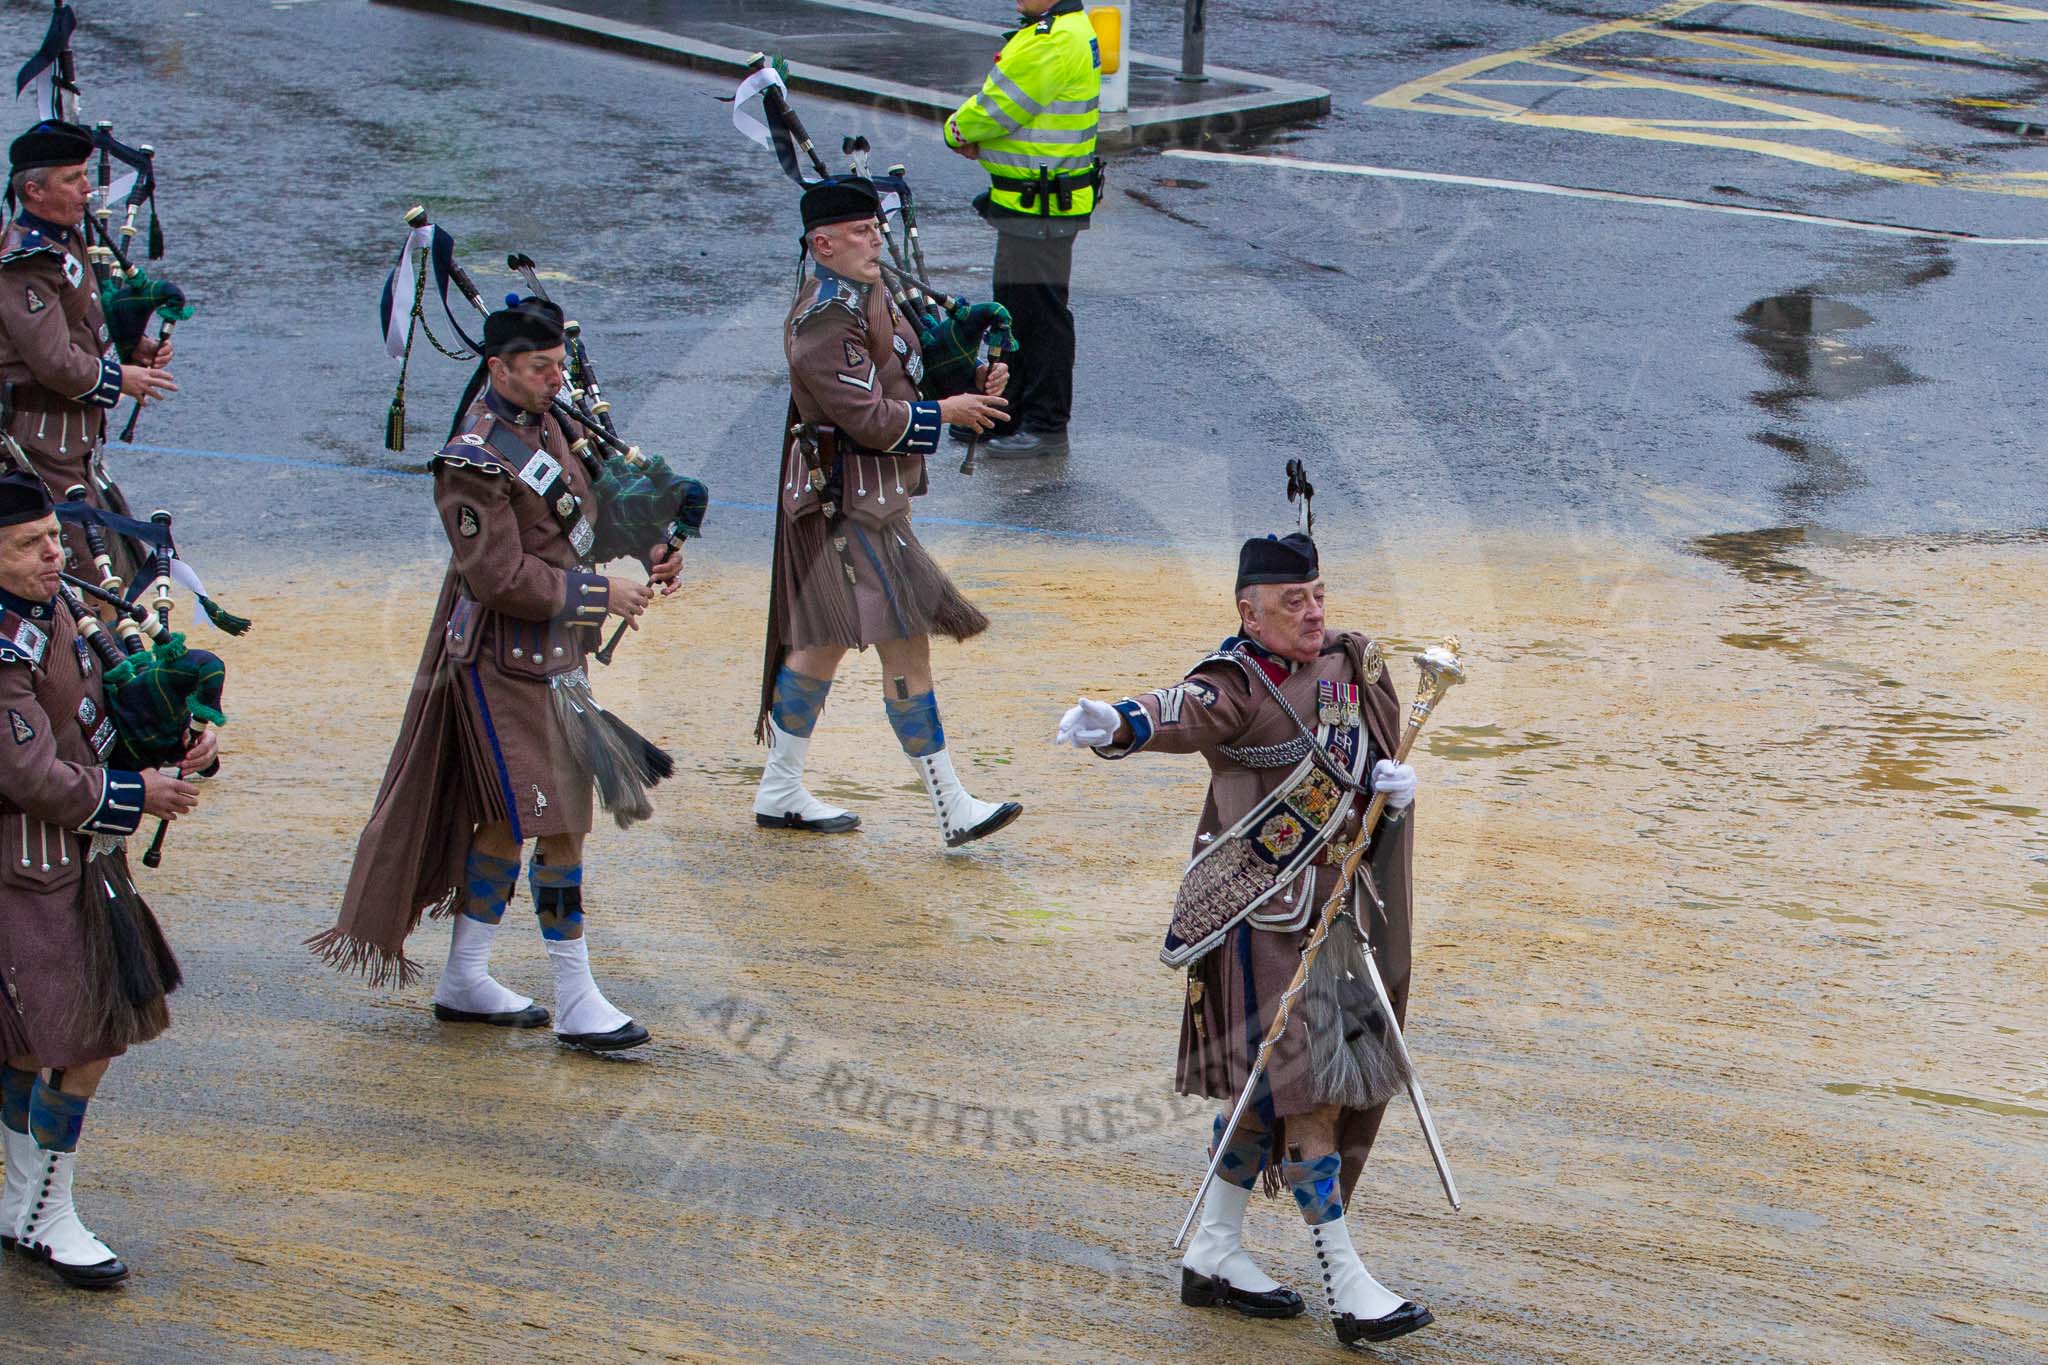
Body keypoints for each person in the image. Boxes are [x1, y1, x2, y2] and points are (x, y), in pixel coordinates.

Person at [1054, 530, 1436, 1347]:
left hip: (1340, 919)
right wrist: (1119, 722)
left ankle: (1215, 1248)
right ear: (1249, 610)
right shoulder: (1238, 680)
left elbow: (1365, 765)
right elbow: (1182, 710)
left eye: (1318, 595)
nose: (1313, 611)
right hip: (1260, 917)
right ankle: (1348, 1286)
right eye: (1293, 601)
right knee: (1309, 1095)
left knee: (1268, 1096)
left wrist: (1391, 790)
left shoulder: (1350, 664)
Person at [313, 298, 680, 1053]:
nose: (555, 380)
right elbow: (501, 576)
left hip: (555, 655)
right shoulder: (472, 461)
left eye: (557, 366)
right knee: (563, 821)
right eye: (539, 369)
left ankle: (466, 976)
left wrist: (647, 541)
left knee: (506, 821)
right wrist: (599, 591)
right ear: (498, 368)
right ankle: (576, 997)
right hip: (500, 660)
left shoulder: (551, 421)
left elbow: (577, 516)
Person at [754, 176, 1022, 849]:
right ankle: (951, 805)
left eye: (877, 226)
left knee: (821, 646)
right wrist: (946, 414)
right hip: (846, 502)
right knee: (904, 644)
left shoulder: (868, 293)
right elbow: (867, 418)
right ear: (823, 242)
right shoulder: (822, 321)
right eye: (860, 230)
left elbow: (908, 366)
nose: (877, 237)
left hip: (870, 499)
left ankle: (780, 786)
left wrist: (970, 375)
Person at [0, 471, 206, 1287]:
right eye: (29, 546)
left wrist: (175, 745)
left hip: (77, 860)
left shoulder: (54, 609)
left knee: (30, 1049)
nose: (57, 553)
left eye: (54, 537)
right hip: (25, 867)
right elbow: (26, 773)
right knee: (85, 1041)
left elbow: (93, 718)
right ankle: (48, 1214)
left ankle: (23, 1205)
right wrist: (136, 793)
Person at [0, 121, 176, 580]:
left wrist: (134, 347)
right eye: (72, 180)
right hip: (38, 442)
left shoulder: (68, 237)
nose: (87, 190)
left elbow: (82, 319)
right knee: (77, 571)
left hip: (74, 441)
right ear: (34, 191)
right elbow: (54, 362)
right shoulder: (25, 262)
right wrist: (123, 380)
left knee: (114, 563)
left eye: (84, 175)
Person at [943, 0, 1101, 460]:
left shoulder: (1050, 41)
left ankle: (1046, 425)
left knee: (1039, 316)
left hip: (1040, 205)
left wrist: (956, 130)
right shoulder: (1061, 30)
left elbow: (996, 110)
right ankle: (1009, 413)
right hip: (1033, 201)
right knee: (1015, 311)